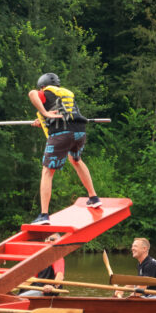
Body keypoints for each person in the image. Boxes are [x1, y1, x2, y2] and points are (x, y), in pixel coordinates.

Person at [28, 73, 101, 224]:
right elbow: (61, 114)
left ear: (43, 86)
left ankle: (44, 215)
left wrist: (44, 113)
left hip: (63, 133)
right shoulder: (64, 96)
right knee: (76, 160)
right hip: (79, 132)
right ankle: (93, 197)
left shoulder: (44, 92)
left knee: (47, 171)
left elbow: (32, 94)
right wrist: (42, 119)